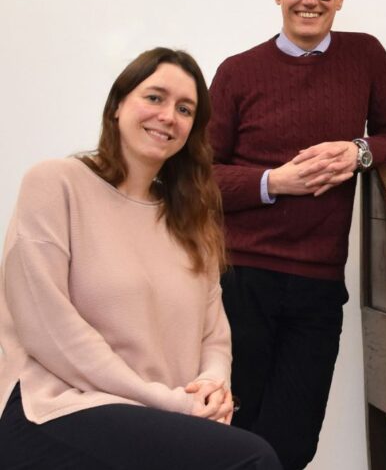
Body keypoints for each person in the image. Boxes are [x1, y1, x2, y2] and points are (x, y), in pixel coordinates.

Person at [0, 48, 281, 469]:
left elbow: (214, 335)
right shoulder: (56, 183)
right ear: (117, 105)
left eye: (185, 109)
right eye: (154, 97)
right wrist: (167, 402)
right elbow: (48, 328)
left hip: (157, 414)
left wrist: (212, 385)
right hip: (57, 406)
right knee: (251, 458)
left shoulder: (191, 219)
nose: (168, 116)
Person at [208, 0, 386, 469]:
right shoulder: (236, 71)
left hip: (319, 284)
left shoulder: (365, 55)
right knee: (233, 432)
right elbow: (198, 178)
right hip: (241, 280)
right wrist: (274, 181)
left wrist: (358, 151)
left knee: (295, 442)